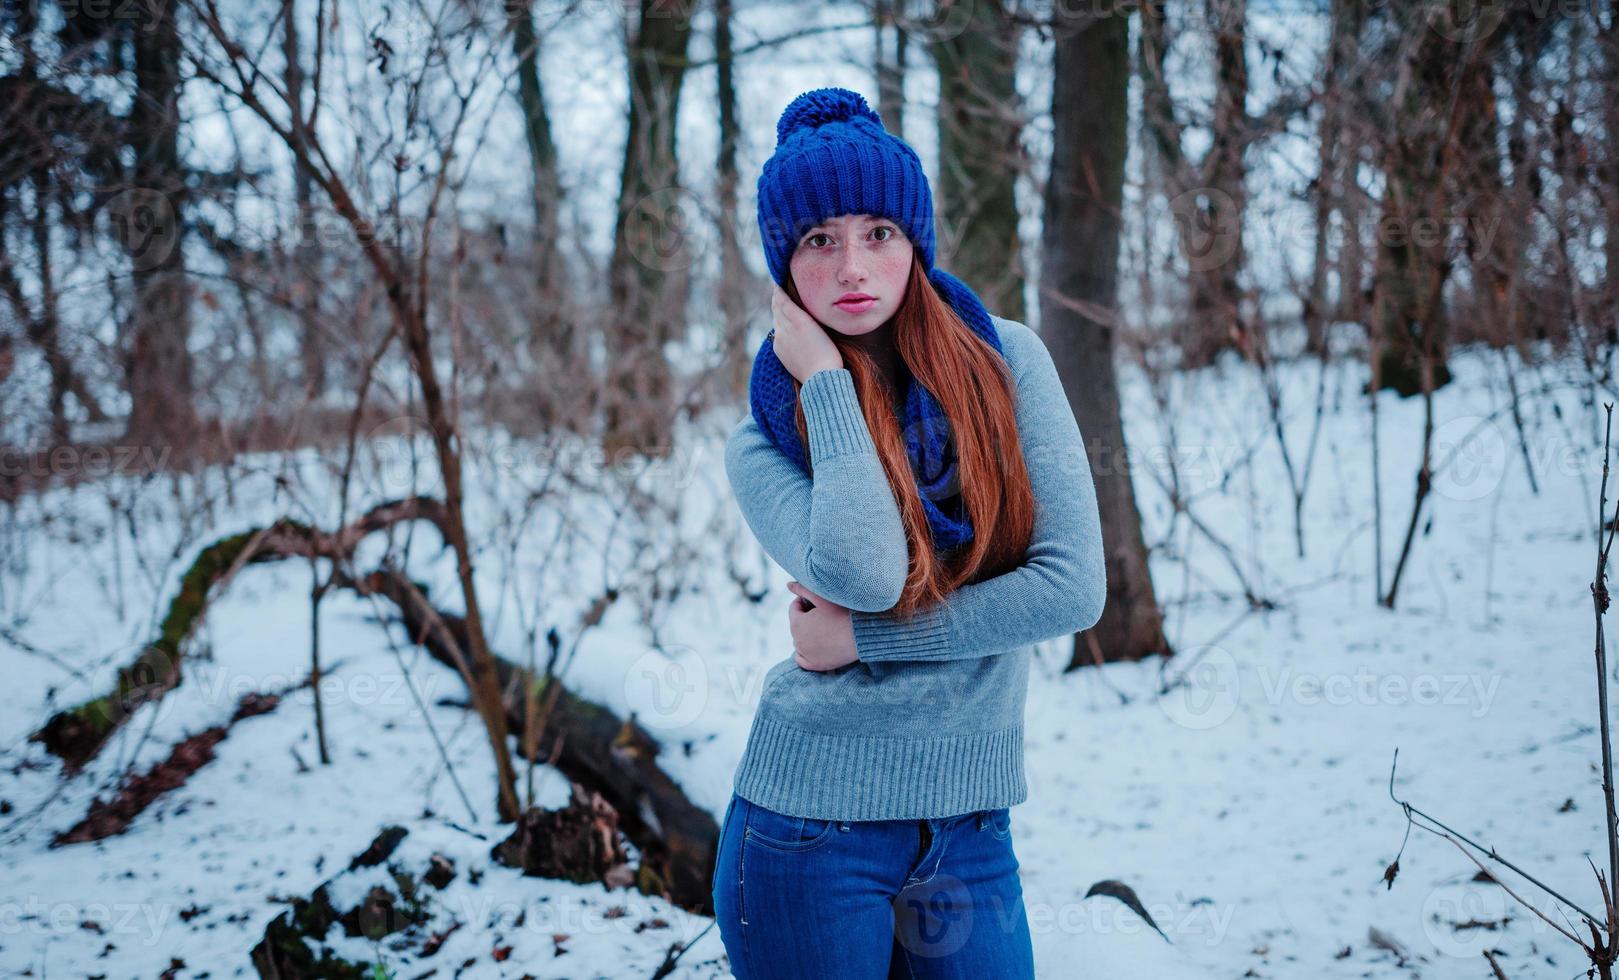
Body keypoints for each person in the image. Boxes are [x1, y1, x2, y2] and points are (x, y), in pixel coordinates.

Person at [713, 86, 1107, 979]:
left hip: (970, 829)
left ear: (915, 244)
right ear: (784, 270)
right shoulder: (763, 435)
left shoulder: (1007, 363)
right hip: (808, 833)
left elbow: (1071, 588)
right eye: (819, 240)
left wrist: (863, 641)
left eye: (877, 233)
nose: (852, 266)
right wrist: (823, 383)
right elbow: (866, 568)